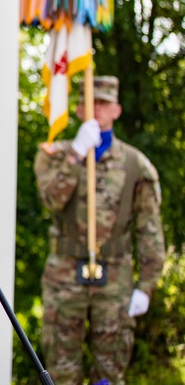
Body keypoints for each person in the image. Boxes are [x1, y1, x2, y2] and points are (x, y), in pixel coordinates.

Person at [34, 75, 166, 385]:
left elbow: (150, 231)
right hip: (64, 277)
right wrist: (77, 155)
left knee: (110, 370)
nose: (96, 109)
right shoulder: (55, 154)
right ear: (78, 110)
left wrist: (146, 286)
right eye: (90, 103)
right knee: (61, 370)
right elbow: (52, 200)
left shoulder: (136, 164)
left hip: (114, 279)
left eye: (104, 103)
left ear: (117, 110)